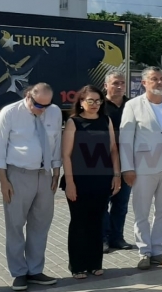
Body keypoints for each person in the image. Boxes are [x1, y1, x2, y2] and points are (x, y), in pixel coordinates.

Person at [119, 66, 162, 270]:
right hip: (143, 168)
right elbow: (125, 140)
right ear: (144, 83)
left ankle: (158, 250)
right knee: (141, 212)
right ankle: (144, 252)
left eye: (161, 78)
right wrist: (127, 168)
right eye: (154, 79)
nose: (159, 82)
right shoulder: (133, 105)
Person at [0, 83, 61, 291]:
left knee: (40, 225)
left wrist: (56, 171)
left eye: (46, 105)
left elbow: (56, 141)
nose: (41, 110)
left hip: (45, 175)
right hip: (18, 175)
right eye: (38, 105)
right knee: (15, 225)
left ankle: (35, 270)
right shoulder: (10, 112)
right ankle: (19, 272)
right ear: (28, 96)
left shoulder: (54, 112)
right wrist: (3, 181)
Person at [61, 85, 121, 279]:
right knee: (79, 223)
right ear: (81, 102)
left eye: (98, 101)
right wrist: (70, 183)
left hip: (102, 180)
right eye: (90, 101)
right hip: (79, 180)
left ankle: (95, 263)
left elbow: (113, 150)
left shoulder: (106, 120)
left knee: (97, 222)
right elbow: (67, 155)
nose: (95, 104)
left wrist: (116, 175)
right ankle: (77, 266)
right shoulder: (74, 122)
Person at [102, 71, 133, 253]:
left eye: (122, 83)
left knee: (121, 203)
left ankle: (117, 237)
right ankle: (103, 238)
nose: (119, 86)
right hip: (103, 162)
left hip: (127, 161)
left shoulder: (132, 105)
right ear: (106, 85)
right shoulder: (99, 105)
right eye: (115, 83)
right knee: (103, 203)